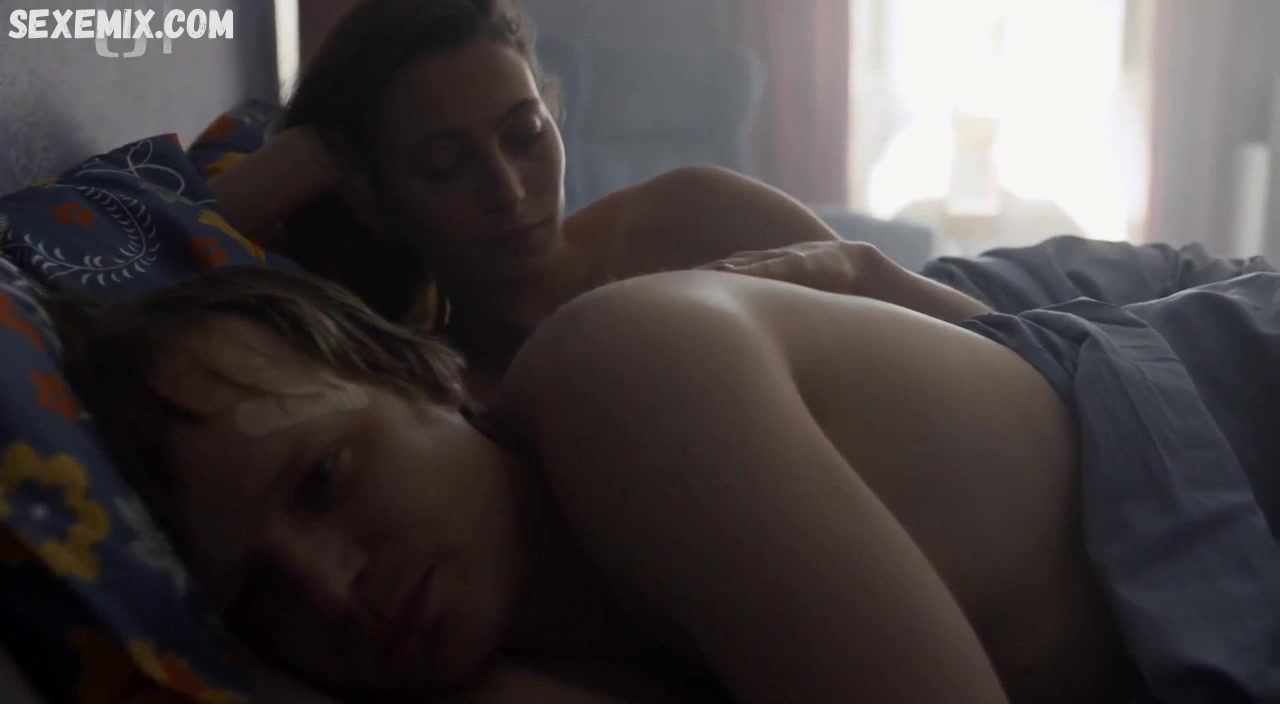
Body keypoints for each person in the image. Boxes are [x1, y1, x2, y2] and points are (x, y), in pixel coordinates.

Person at [63, 225, 1280, 703]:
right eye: (263, 597)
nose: (329, 590)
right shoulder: (539, 646)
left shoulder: (619, 374)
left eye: (323, 480)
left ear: (428, 374)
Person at [209, 0, 839, 398]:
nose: (506, 191)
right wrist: (312, 155)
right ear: (378, 203)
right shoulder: (444, 400)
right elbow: (177, 260)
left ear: (554, 112)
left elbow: (889, 305)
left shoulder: (694, 215)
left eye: (526, 135)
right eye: (445, 166)